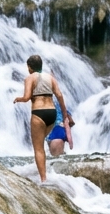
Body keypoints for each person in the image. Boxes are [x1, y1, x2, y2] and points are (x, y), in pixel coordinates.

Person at [14, 54, 70, 182]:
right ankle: (46, 170)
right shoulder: (50, 78)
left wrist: (19, 99)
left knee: (38, 148)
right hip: (52, 113)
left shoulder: (29, 78)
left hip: (39, 113)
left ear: (29, 67)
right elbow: (60, 96)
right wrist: (65, 114)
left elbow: (27, 97)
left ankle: (44, 180)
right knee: (42, 143)